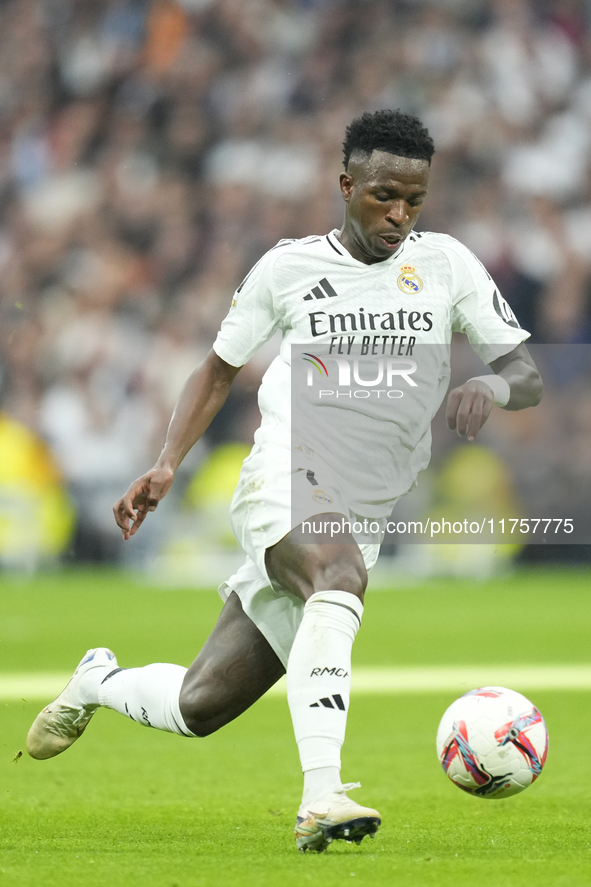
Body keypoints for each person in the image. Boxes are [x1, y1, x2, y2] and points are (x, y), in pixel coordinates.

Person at [26, 109, 542, 852]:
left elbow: (521, 371)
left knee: (199, 703)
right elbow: (216, 369)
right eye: (383, 195)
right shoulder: (287, 268)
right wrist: (169, 459)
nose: (399, 214)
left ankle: (96, 681)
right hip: (285, 477)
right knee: (339, 575)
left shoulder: (448, 266)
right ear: (345, 184)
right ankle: (321, 795)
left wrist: (492, 390)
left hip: (360, 509)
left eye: (414, 201)